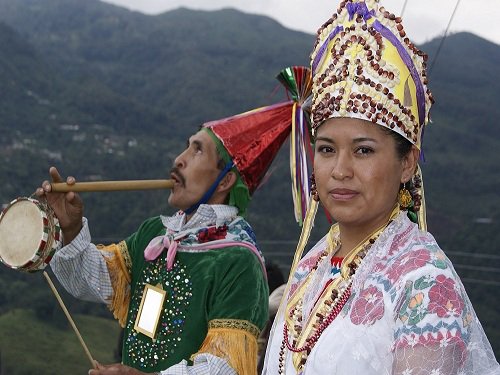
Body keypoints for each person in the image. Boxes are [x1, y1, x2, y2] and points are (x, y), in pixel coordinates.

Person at [262, 0, 500, 374]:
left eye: (363, 150)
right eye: (326, 149)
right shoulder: (311, 268)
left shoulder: (423, 284)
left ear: (407, 163)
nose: (340, 170)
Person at [36, 84, 309, 375]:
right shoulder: (156, 232)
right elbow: (93, 281)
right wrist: (72, 227)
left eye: (197, 151)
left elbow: (224, 366)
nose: (179, 159)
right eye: (187, 146)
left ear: (226, 182)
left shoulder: (238, 262)